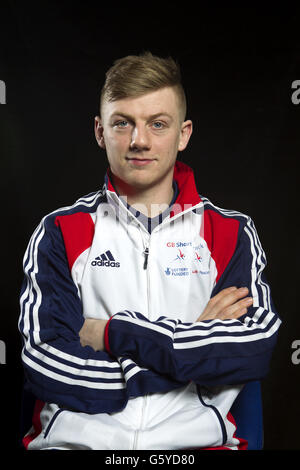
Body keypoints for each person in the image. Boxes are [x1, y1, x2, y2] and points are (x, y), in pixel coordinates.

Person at [18, 52, 281, 450]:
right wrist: (191, 351)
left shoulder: (229, 231)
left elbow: (251, 349)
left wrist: (108, 333)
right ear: (99, 131)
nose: (139, 140)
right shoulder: (60, 230)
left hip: (196, 448)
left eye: (158, 124)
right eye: (123, 123)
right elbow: (49, 367)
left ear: (184, 134)